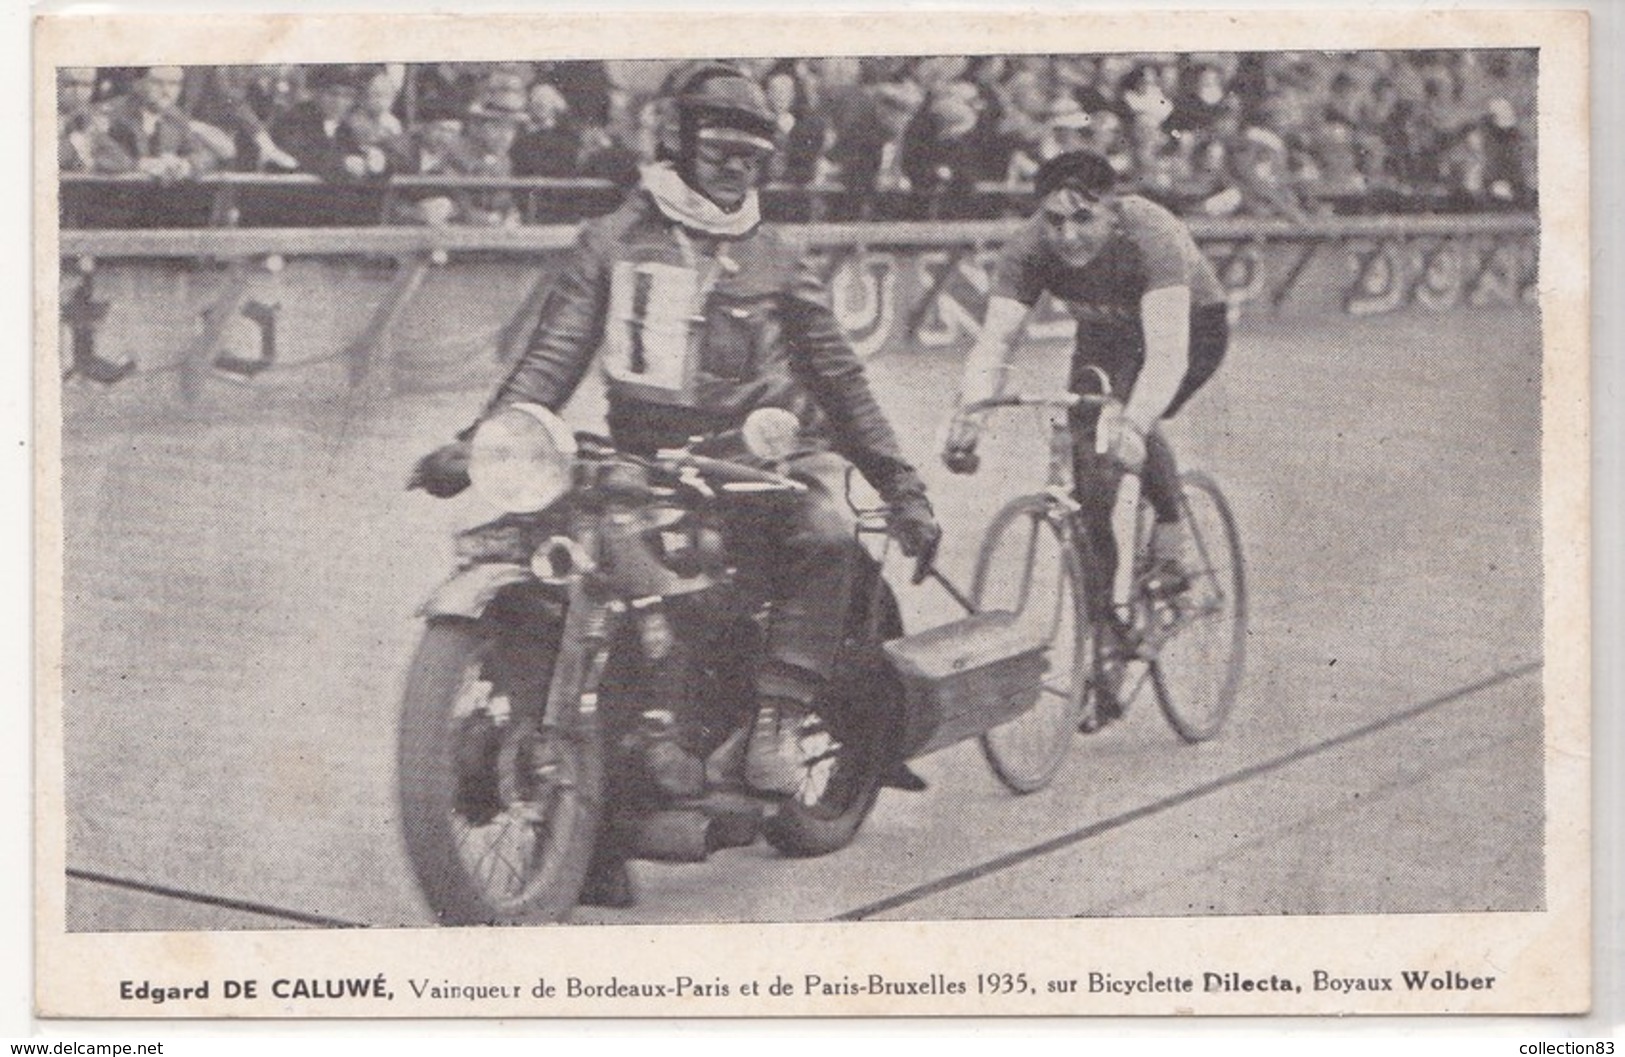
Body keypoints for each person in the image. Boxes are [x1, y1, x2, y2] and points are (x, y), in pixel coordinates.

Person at [410, 61, 940, 797]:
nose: (734, 171)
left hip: (762, 456)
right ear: (679, 141)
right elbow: (553, 355)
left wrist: (900, 482)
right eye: (720, 150)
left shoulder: (775, 255)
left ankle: (776, 721)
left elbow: (839, 379)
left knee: (824, 531)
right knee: (563, 554)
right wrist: (478, 443)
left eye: (752, 159)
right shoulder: (612, 239)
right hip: (641, 454)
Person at [941, 149, 1229, 713]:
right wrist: (969, 412)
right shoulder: (1029, 248)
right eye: (1055, 221)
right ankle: (1104, 641)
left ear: (1114, 211)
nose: (1068, 237)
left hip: (1189, 330)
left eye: (1083, 220)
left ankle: (1170, 531)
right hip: (1106, 333)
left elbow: (1166, 356)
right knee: (1089, 489)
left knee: (1124, 423)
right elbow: (997, 341)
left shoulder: (1151, 233)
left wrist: (1136, 424)